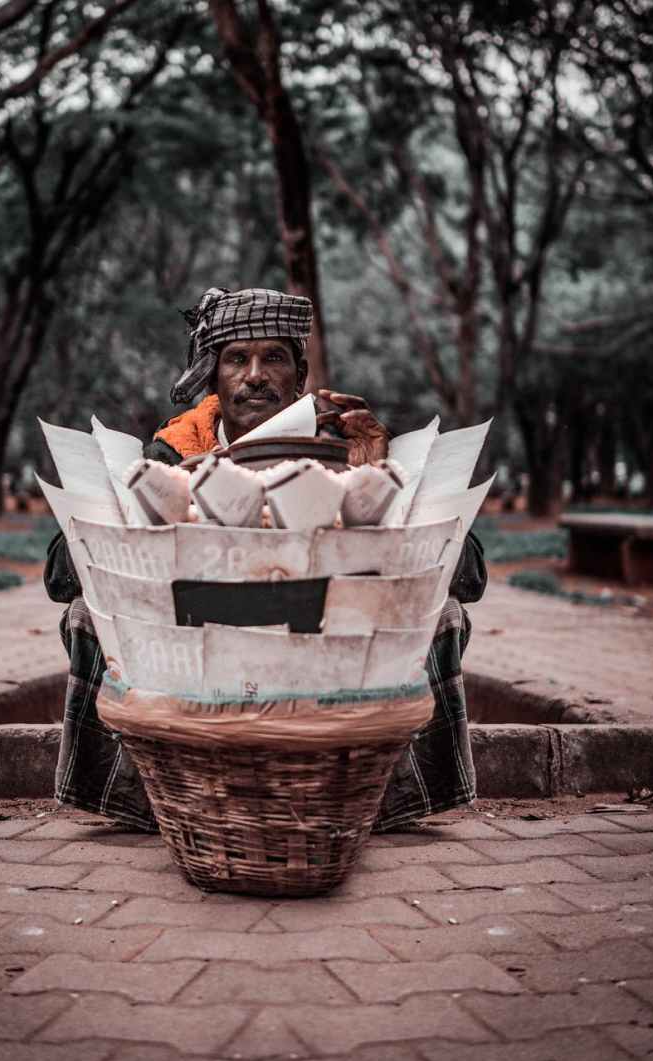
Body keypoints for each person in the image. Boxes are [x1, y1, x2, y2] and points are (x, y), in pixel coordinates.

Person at [44, 286, 486, 831]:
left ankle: (382, 804)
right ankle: (149, 805)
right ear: (213, 377)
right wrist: (177, 497)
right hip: (207, 638)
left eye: (274, 357)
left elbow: (468, 575)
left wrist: (372, 472)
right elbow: (62, 574)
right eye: (237, 359)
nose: (255, 375)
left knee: (445, 616)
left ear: (300, 377)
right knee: (84, 616)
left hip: (323, 641)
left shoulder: (349, 441)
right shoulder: (174, 449)